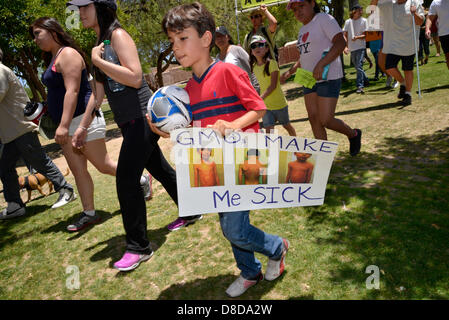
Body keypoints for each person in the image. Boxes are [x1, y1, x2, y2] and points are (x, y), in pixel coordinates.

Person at [159, 2, 289, 298]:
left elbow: (258, 109)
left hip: (244, 161)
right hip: (214, 165)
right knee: (228, 223)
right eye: (171, 41)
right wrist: (170, 130)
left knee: (234, 229)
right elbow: (197, 130)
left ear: (206, 39)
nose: (176, 47)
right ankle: (250, 272)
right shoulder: (186, 90)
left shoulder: (229, 72)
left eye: (182, 38)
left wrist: (231, 125)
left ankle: (276, 247)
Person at [67, 0, 189, 270]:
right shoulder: (99, 43)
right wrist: (83, 127)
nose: (79, 13)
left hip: (143, 118)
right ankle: (191, 210)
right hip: (127, 122)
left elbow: (135, 77)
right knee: (158, 167)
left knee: (125, 179)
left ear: (100, 8)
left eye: (84, 7)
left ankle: (139, 247)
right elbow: (98, 95)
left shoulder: (118, 36)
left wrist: (97, 60)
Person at [30, 17, 127, 232]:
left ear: (52, 30)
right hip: (66, 124)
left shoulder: (68, 55)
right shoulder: (53, 58)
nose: (35, 39)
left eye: (37, 33)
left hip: (83, 119)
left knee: (103, 165)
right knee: (78, 171)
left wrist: (63, 126)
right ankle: (89, 213)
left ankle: (139, 179)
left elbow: (72, 91)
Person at [0, 47, 75, 220]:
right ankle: (14, 206)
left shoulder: (1, 71)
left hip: (21, 129)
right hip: (10, 134)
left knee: (40, 162)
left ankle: (66, 190)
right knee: (4, 168)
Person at [280, 0, 362, 157]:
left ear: (312, 3)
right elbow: (304, 57)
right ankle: (324, 158)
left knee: (326, 119)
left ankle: (353, 134)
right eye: (295, 10)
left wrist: (321, 64)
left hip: (328, 76)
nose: (298, 12)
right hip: (308, 79)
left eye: (301, 6)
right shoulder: (302, 30)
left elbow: (340, 43)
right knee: (314, 119)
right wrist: (290, 72)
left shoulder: (324, 19)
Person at [371, 0, 425, 106]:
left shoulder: (414, 3)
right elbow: (372, 8)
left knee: (408, 69)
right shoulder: (389, 4)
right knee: (389, 67)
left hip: (409, 44)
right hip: (393, 44)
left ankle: (408, 95)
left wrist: (414, 13)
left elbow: (420, 22)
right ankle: (403, 83)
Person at [249, 35, 297, 136]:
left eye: (260, 45)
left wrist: (259, 98)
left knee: (286, 125)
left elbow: (273, 86)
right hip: (266, 106)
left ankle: (297, 146)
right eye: (253, 46)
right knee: (269, 131)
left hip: (279, 104)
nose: (257, 48)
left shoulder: (272, 64)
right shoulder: (253, 67)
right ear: (251, 51)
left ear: (266, 49)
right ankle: (271, 151)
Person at [215, 26, 260, 93]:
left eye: (221, 36)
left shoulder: (237, 50)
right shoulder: (217, 58)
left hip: (247, 92)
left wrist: (256, 90)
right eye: (216, 37)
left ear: (228, 37)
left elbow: (251, 70)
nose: (219, 39)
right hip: (231, 97)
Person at [343, 4, 370, 94]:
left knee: (359, 65)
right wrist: (345, 47)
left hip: (361, 46)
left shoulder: (364, 21)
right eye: (360, 9)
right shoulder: (348, 22)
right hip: (352, 48)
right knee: (357, 66)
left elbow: (366, 34)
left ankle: (360, 86)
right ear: (354, 11)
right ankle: (366, 80)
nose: (361, 11)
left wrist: (357, 37)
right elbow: (345, 35)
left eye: (362, 9)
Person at [426, 0, 449, 70]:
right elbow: (430, 17)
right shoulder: (436, 2)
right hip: (444, 34)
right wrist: (427, 29)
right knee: (448, 57)